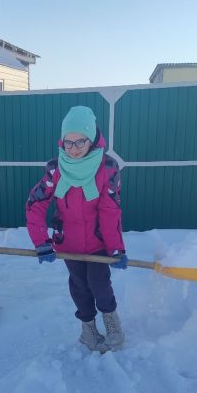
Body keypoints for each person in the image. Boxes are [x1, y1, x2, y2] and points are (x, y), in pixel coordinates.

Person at [25, 106, 127, 352]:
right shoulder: (55, 169)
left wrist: (115, 248)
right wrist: (41, 242)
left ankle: (112, 323)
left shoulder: (108, 168)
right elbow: (35, 204)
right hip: (69, 243)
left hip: (99, 243)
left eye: (80, 141)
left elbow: (110, 210)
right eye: (67, 142)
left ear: (91, 138)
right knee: (79, 286)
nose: (73, 148)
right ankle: (88, 329)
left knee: (99, 283)